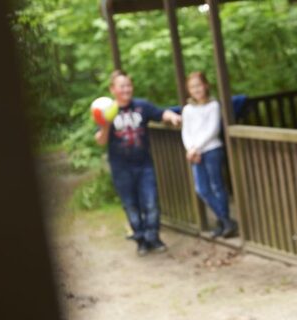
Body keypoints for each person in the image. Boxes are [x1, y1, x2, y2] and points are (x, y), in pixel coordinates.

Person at [95, 70, 182, 256]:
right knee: (131, 205)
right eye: (122, 86)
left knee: (150, 202)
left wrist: (172, 117)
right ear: (113, 89)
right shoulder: (107, 111)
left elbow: (161, 112)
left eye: (128, 85)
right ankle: (141, 240)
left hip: (144, 165)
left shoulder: (141, 106)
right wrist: (105, 124)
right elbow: (101, 141)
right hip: (121, 169)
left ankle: (153, 238)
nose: (126, 89)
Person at [181, 71, 238, 238]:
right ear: (188, 90)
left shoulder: (213, 105)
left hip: (212, 150)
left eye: (199, 85)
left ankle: (223, 223)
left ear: (205, 86)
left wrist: (196, 148)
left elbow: (212, 130)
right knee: (202, 189)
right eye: (192, 87)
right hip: (194, 153)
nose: (196, 89)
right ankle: (226, 220)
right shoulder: (187, 109)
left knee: (217, 186)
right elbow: (186, 132)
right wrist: (190, 149)